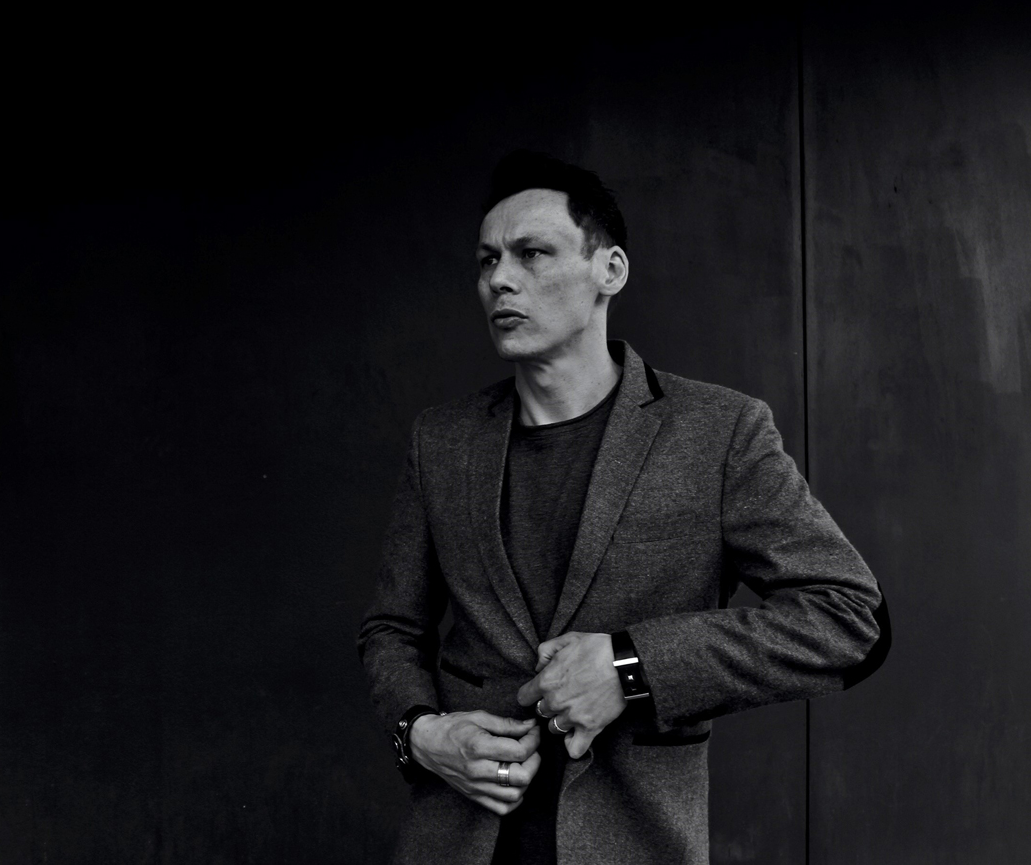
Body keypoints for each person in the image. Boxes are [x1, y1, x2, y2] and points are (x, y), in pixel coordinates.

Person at [357, 150, 890, 865]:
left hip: (636, 843)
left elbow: (849, 619)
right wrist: (420, 733)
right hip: (454, 843)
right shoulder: (442, 440)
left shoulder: (719, 432)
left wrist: (630, 667)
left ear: (610, 270)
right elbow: (392, 628)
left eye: (532, 253)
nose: (500, 279)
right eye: (487, 261)